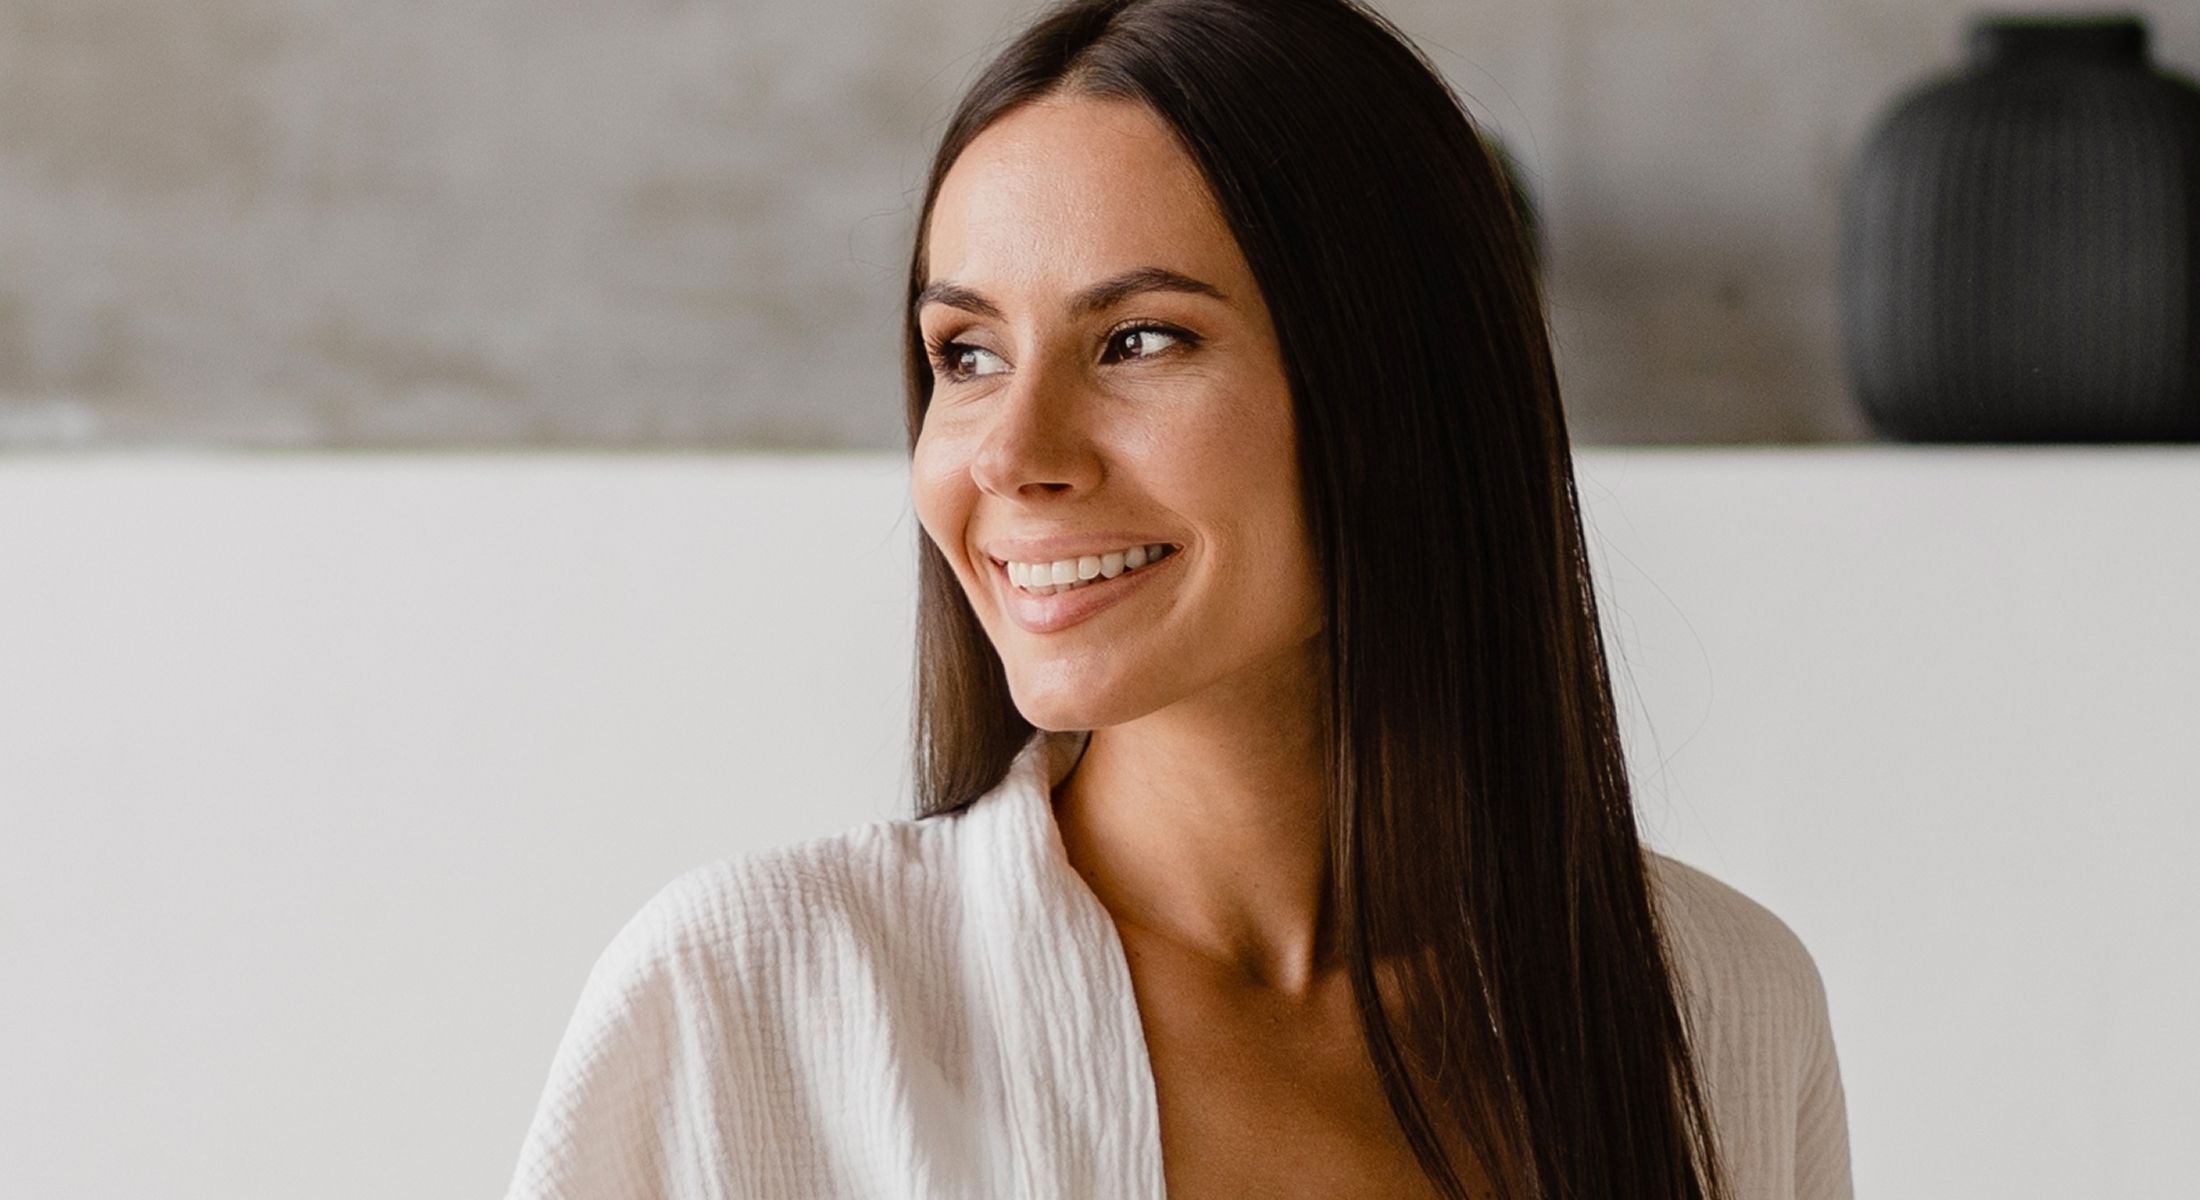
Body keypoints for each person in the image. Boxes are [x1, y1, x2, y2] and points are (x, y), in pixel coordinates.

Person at [503, 1, 1855, 1197]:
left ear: (1398, 394)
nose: (1015, 455)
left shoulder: (1716, 1008)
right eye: (965, 354)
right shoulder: (748, 1007)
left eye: (1140, 340)